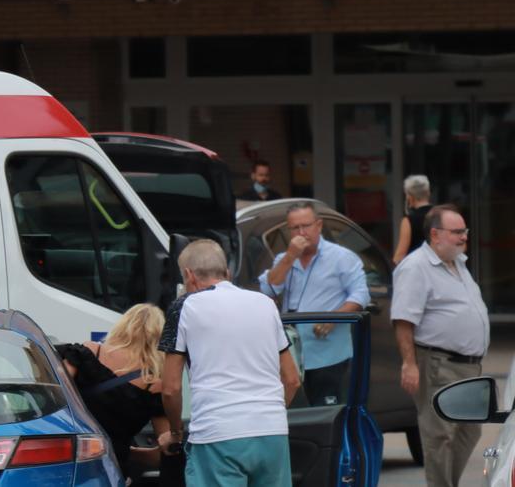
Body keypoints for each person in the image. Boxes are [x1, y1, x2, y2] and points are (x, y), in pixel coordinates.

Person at [157, 239, 301, 487]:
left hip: (217, 433)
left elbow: (170, 388)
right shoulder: (266, 304)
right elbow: (292, 379)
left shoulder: (184, 307)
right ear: (228, 273)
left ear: (189, 276)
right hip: (271, 432)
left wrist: (176, 433)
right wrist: (267, 414)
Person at [392, 204, 489, 487]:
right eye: (457, 232)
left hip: (470, 365)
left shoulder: (457, 262)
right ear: (435, 234)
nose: (463, 237)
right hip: (438, 363)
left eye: (464, 231)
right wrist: (409, 364)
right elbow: (403, 320)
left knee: (469, 431)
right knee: (439, 435)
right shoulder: (415, 267)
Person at [56, 304, 182, 486]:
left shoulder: (88, 352)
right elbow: (166, 449)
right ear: (159, 339)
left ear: (121, 327)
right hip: (111, 469)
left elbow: (57, 395)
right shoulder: (154, 385)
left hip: (70, 457)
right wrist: (120, 451)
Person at [258, 201, 368, 406]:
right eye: (295, 228)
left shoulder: (342, 257)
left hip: (328, 354)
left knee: (327, 413)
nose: (302, 232)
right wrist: (290, 257)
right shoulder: (285, 258)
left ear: (318, 225)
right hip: (291, 356)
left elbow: (360, 295)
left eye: (306, 226)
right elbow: (268, 289)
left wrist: (332, 319)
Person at [392, 174, 433, 265]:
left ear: (409, 197)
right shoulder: (442, 215)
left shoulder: (408, 221)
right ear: (428, 193)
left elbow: (400, 256)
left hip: (418, 270)